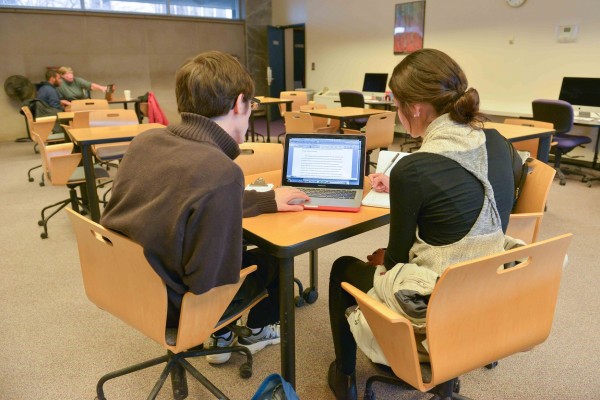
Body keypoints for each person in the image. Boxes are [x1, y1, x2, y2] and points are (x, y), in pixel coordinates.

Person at [327, 48, 516, 400]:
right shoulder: (499, 143)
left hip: (436, 306)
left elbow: (395, 266)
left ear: (414, 108)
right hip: (492, 294)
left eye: (396, 106)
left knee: (342, 267)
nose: (397, 116)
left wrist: (386, 258)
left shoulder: (413, 170)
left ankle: (344, 377)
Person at [100, 51, 309, 364]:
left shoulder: (146, 142)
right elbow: (210, 280)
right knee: (275, 256)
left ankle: (223, 336)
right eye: (252, 106)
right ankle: (250, 332)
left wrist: (264, 200)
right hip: (183, 305)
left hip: (127, 285)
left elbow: (187, 196)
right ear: (240, 104)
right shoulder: (220, 173)